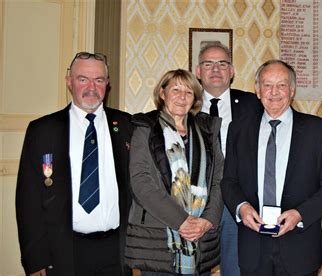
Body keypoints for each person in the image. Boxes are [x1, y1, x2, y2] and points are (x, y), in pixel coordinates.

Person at [16, 52, 133, 275]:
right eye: (83, 79)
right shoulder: (42, 131)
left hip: (116, 252)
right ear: (69, 82)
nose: (92, 87)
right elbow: (28, 200)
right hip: (63, 252)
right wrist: (35, 258)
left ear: (107, 84)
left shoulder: (128, 126)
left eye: (99, 80)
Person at [221, 59, 322, 275]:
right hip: (252, 246)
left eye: (282, 85)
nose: (274, 92)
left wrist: (300, 214)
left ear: (292, 90)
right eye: (267, 85)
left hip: (301, 247)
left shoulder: (318, 130)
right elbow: (229, 181)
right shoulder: (238, 129)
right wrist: (241, 207)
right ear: (258, 91)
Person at [125, 69, 224, 275]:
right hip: (158, 239)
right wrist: (181, 221)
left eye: (188, 92)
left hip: (201, 236)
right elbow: (141, 181)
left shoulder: (207, 130)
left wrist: (207, 220)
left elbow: (219, 178)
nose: (182, 97)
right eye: (176, 90)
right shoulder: (145, 127)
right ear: (162, 93)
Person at [195, 42, 261, 275]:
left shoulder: (254, 104)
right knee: (195, 267)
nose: (215, 69)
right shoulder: (185, 106)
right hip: (198, 205)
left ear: (231, 71)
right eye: (208, 64)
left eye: (222, 63)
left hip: (239, 202)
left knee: (236, 269)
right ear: (198, 71)